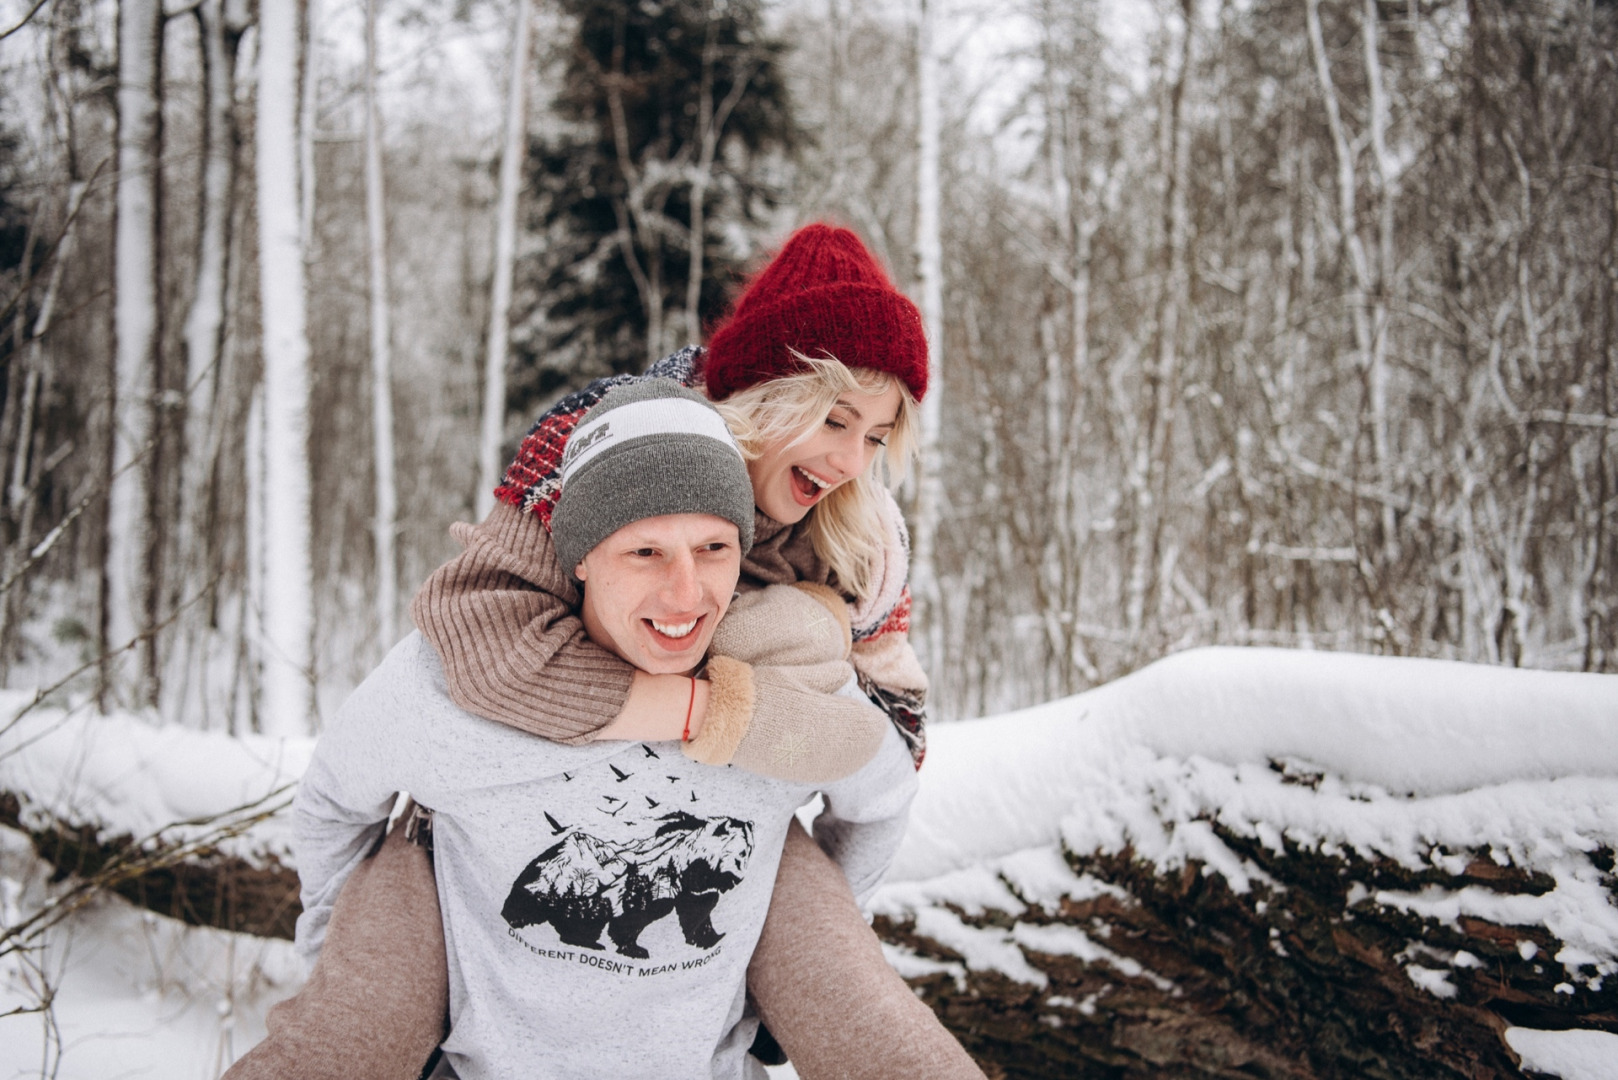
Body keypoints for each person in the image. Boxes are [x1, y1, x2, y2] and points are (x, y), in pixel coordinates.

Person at [226, 224, 985, 1080]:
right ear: (768, 393)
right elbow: (472, 634)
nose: (854, 461)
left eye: (878, 437)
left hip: (755, 808)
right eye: (836, 420)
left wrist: (785, 943)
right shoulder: (599, 453)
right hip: (496, 829)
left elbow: (890, 744)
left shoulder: (862, 539)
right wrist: (700, 709)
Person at [285, 380, 919, 1079]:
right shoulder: (451, 687)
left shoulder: (784, 690)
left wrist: (790, 954)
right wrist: (338, 971)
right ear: (580, 556)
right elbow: (331, 805)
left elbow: (882, 799)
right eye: (645, 553)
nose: (685, 594)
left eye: (713, 548)